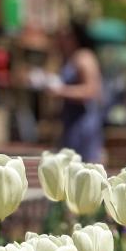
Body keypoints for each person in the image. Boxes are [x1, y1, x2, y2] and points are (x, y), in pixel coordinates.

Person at [47, 22, 104, 162]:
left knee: (84, 166)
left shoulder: (84, 57)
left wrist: (61, 91)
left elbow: (91, 91)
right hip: (72, 121)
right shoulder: (71, 57)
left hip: (83, 123)